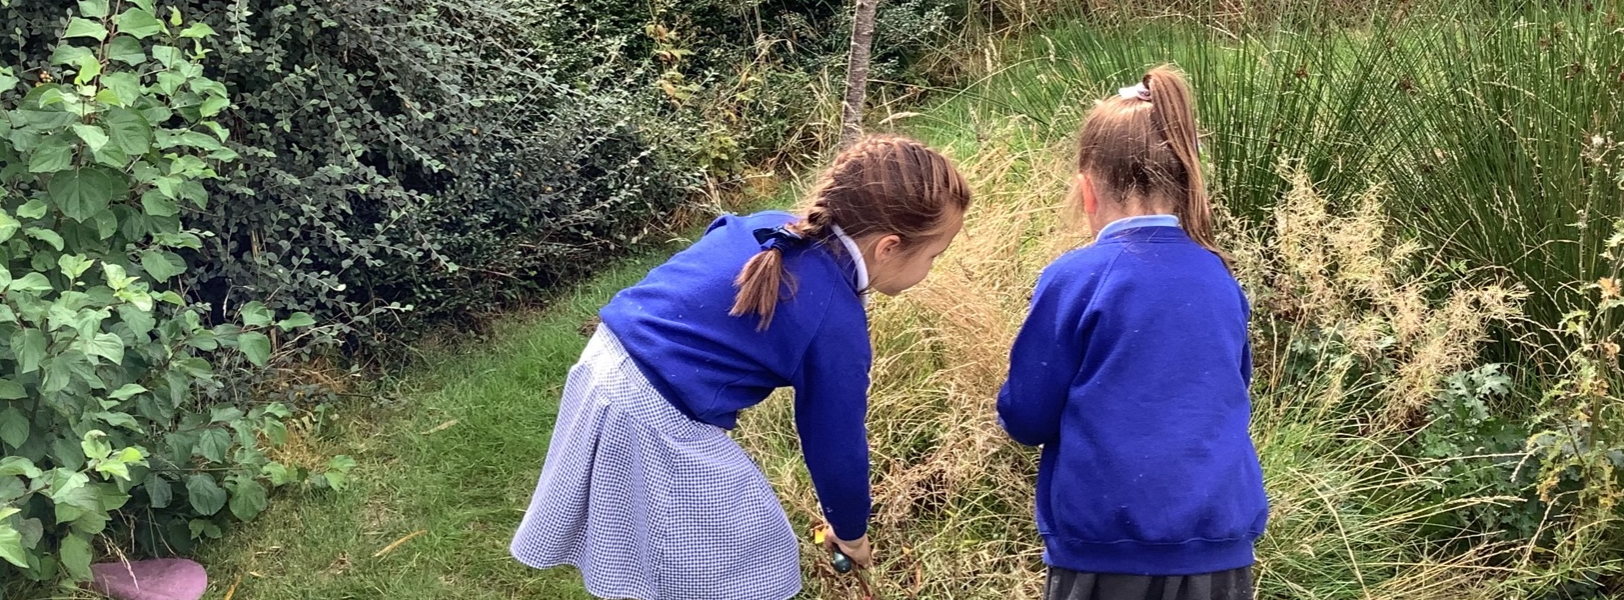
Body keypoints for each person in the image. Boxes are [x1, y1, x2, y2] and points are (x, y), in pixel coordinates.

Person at [512, 134, 972, 600]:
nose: (931, 268)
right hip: (651, 409)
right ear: (888, 247)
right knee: (746, 558)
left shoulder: (773, 228)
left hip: (605, 364)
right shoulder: (836, 322)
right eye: (934, 255)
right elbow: (836, 441)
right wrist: (851, 532)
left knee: (670, 533)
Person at [996, 66, 1265, 600]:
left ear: (1087, 190)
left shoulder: (1075, 277)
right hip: (1220, 546)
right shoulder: (1218, 277)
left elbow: (1027, 417)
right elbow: (1234, 389)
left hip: (1106, 547)